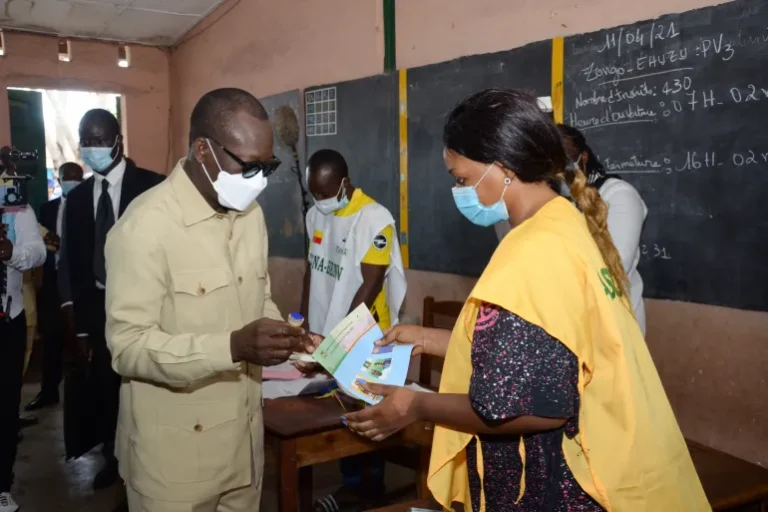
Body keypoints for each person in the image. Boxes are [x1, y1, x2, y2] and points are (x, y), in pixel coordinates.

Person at [342, 90, 708, 511]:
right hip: (616, 453)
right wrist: (429, 339)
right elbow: (541, 348)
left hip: (562, 482)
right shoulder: (566, 224)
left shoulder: (532, 252)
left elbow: (535, 408)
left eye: (461, 179)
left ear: (502, 168)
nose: (457, 191)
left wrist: (418, 404)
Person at [105, 88, 309, 511]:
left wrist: (286, 337)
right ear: (203, 150)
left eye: (267, 166)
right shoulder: (145, 227)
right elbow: (128, 348)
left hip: (244, 450)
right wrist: (232, 347)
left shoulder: (251, 217)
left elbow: (260, 298)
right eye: (249, 166)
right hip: (175, 466)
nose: (260, 180)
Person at [298, 149, 406, 511]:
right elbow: (312, 269)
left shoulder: (374, 219)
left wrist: (338, 343)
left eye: (326, 192)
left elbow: (370, 286)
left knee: (367, 416)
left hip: (369, 335)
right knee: (339, 415)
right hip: (328, 331)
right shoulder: (315, 213)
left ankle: (364, 491)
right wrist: (303, 324)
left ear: (344, 182)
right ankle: (353, 487)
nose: (321, 200)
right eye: (314, 193)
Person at [62, 109, 164, 489]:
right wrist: (81, 326)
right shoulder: (76, 200)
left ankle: (147, 461)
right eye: (85, 140)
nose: (92, 148)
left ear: (118, 141)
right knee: (107, 387)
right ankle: (114, 458)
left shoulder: (153, 187)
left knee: (143, 387)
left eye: (99, 140)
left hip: (146, 308)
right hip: (99, 311)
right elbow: (74, 265)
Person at [557, 124, 648, 335]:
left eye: (565, 160)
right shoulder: (550, 203)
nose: (559, 172)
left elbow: (615, 267)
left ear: (584, 158)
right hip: (568, 326)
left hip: (614, 326)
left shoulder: (618, 195)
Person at [0, 150, 46, 512]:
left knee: (4, 409)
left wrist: (10, 250)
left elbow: (37, 252)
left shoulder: (16, 206)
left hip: (7, 319)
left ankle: (2, 486)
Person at [25, 162, 83, 412]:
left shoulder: (89, 207)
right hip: (52, 281)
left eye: (76, 177)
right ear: (58, 181)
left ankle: (85, 394)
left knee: (81, 337)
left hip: (80, 283)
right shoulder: (46, 210)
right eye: (67, 178)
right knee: (51, 339)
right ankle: (48, 392)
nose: (71, 181)